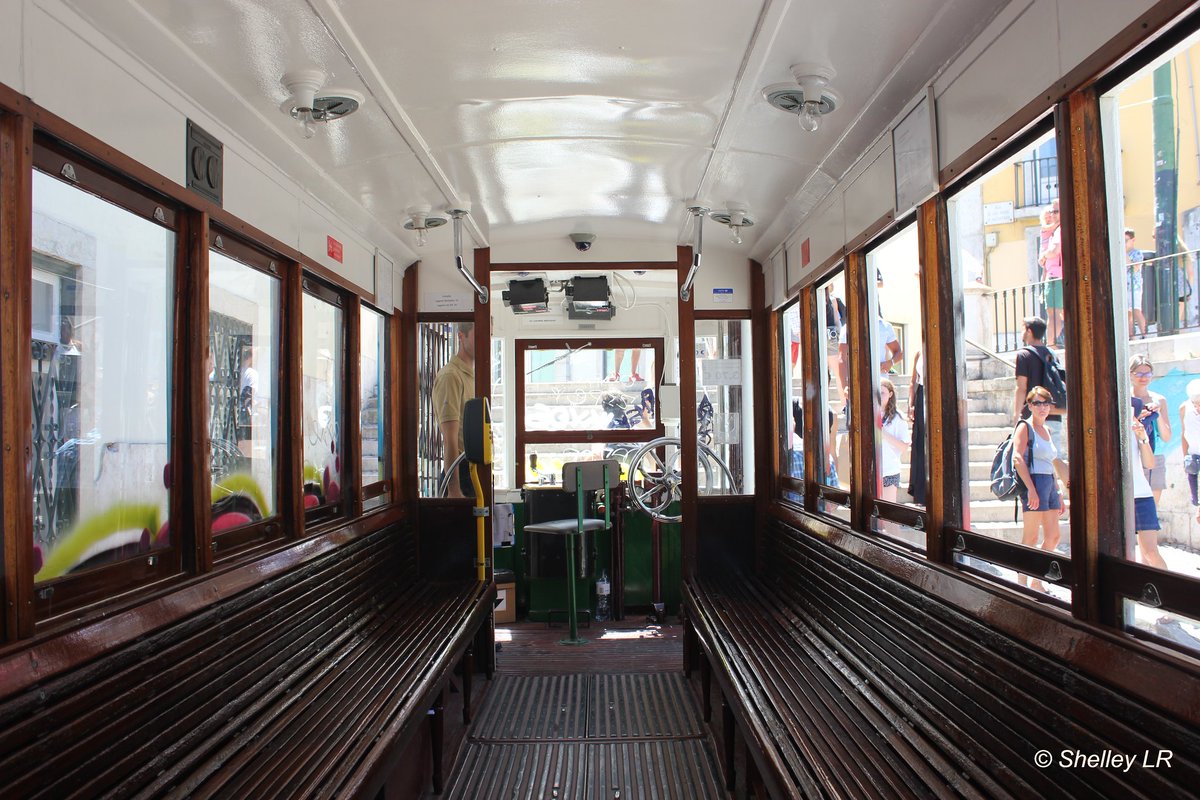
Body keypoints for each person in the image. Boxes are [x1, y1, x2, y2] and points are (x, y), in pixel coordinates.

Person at [1011, 386, 1070, 592]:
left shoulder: (1047, 430)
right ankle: (1022, 581)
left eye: (1046, 403)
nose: (1043, 407)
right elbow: (1017, 458)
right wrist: (1031, 490)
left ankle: (1037, 578)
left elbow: (1052, 462)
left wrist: (1059, 492)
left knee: (1054, 536)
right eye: (1037, 403)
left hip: (1049, 484)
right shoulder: (1025, 427)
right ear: (1029, 406)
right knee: (1031, 537)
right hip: (1033, 482)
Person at [432, 321, 475, 497]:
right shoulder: (451, 376)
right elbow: (450, 440)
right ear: (461, 336)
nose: (486, 341)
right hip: (460, 473)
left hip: (475, 469)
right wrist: (454, 490)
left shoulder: (473, 376)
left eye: (490, 335)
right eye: (478, 335)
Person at [1013, 316, 1066, 456]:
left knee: (1031, 459)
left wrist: (1016, 414)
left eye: (1023, 328)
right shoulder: (1052, 354)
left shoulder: (1023, 355)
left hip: (1033, 416)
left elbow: (1022, 388)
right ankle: (1066, 479)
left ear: (1029, 331)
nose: (1021, 332)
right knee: (1055, 459)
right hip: (1053, 413)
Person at [1128, 355, 1171, 506]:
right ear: (1130, 374)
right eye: (1139, 374)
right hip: (1132, 456)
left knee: (1152, 506)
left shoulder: (1159, 399)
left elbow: (1166, 436)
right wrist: (1136, 416)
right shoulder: (1125, 399)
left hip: (1155, 455)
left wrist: (1156, 414)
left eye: (1147, 374)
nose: (1143, 378)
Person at [1130, 417, 1167, 570]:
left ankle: (1167, 591)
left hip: (1141, 495)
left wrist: (1143, 437)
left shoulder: (1136, 428)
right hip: (1113, 496)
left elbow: (1149, 464)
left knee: (1150, 552)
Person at [877, 378, 910, 504]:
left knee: (887, 516)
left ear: (890, 394)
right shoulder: (869, 414)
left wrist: (884, 434)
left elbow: (904, 447)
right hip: (871, 471)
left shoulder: (898, 418)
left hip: (889, 471)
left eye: (882, 393)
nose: (879, 396)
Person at [1037, 201, 1065, 346]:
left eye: (1056, 212)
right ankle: (1052, 343)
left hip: (1056, 277)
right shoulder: (1055, 230)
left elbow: (1054, 251)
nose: (1053, 215)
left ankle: (1051, 344)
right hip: (1057, 276)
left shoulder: (1059, 230)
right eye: (1052, 212)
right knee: (1057, 314)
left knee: (1053, 314)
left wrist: (1044, 255)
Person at [1177, 379, 1200, 522]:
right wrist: (1184, 457)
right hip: (1193, 458)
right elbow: (1184, 433)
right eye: (1196, 404)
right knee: (1196, 500)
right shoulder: (1184, 408)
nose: (1198, 407)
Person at [907, 350, 926, 505]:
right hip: (921, 395)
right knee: (920, 442)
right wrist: (911, 404)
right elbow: (913, 381)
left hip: (937, 394)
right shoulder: (918, 352)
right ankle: (920, 493)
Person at [1125, 229, 1147, 338]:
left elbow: (1135, 268)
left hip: (1134, 286)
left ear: (1133, 240)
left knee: (1136, 309)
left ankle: (1144, 334)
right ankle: (1131, 336)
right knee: (1127, 312)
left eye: (1126, 240)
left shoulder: (1137, 253)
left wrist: (1124, 254)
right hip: (1125, 285)